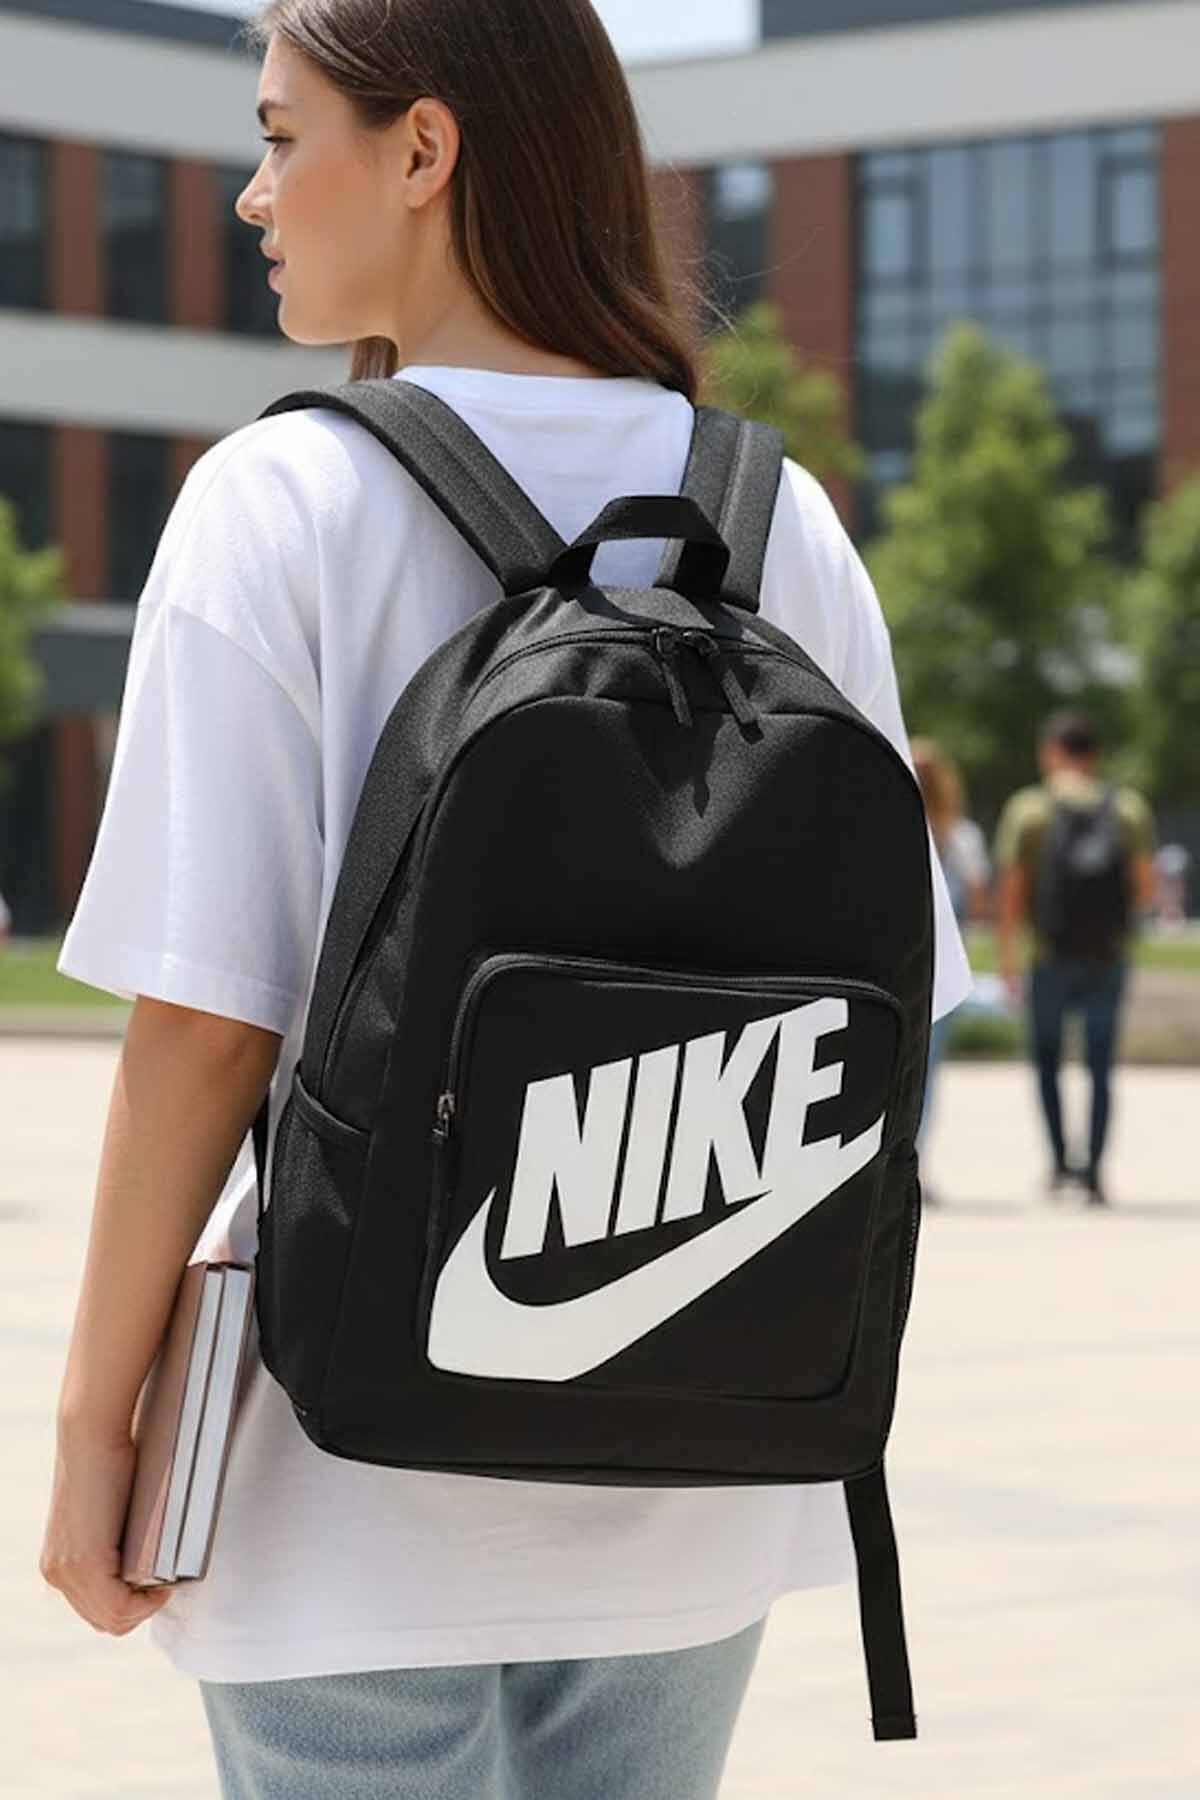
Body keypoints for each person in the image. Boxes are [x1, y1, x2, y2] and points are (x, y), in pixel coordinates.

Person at [38, 3, 971, 1794]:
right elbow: (897, 1012)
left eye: (280, 134)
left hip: (348, 1491)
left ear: (423, 148)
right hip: (701, 1465)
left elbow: (206, 1028)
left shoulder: (278, 503)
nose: (249, 195)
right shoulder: (784, 520)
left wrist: (95, 1422)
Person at [994, 711, 1156, 1208]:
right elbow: (1145, 887)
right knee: (1100, 1066)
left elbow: (1011, 894)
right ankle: (1095, 1173)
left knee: (1048, 1062)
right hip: (1107, 954)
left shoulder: (1029, 809)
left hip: (1048, 954)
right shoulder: (1127, 808)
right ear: (1095, 754)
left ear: (1050, 751)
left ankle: (1060, 1163)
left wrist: (1008, 958)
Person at [910, 739, 990, 1203]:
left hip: (917, 968)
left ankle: (905, 1160)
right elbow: (976, 905)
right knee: (925, 1073)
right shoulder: (962, 838)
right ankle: (911, 1161)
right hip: (937, 969)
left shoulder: (889, 819)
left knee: (913, 1071)